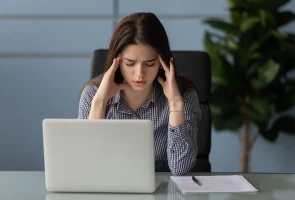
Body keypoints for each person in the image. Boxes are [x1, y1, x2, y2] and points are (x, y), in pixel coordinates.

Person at [78, 12, 202, 176]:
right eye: (130, 63)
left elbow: (180, 168)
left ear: (162, 62)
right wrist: (99, 103)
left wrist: (175, 104)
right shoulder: (93, 94)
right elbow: (86, 166)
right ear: (117, 61)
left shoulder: (184, 96)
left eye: (149, 63)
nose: (139, 74)